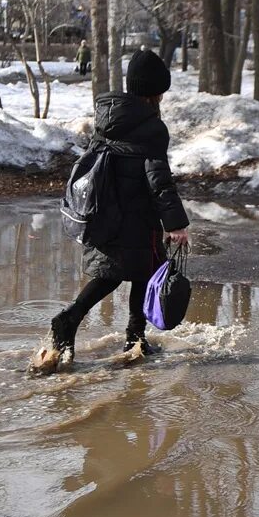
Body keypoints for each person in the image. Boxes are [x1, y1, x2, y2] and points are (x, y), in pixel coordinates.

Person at [49, 49, 189, 362]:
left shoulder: (109, 117)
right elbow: (159, 179)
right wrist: (176, 223)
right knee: (142, 272)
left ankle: (107, 330)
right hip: (138, 217)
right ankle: (123, 335)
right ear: (156, 91)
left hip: (104, 212)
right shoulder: (152, 127)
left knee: (111, 274)